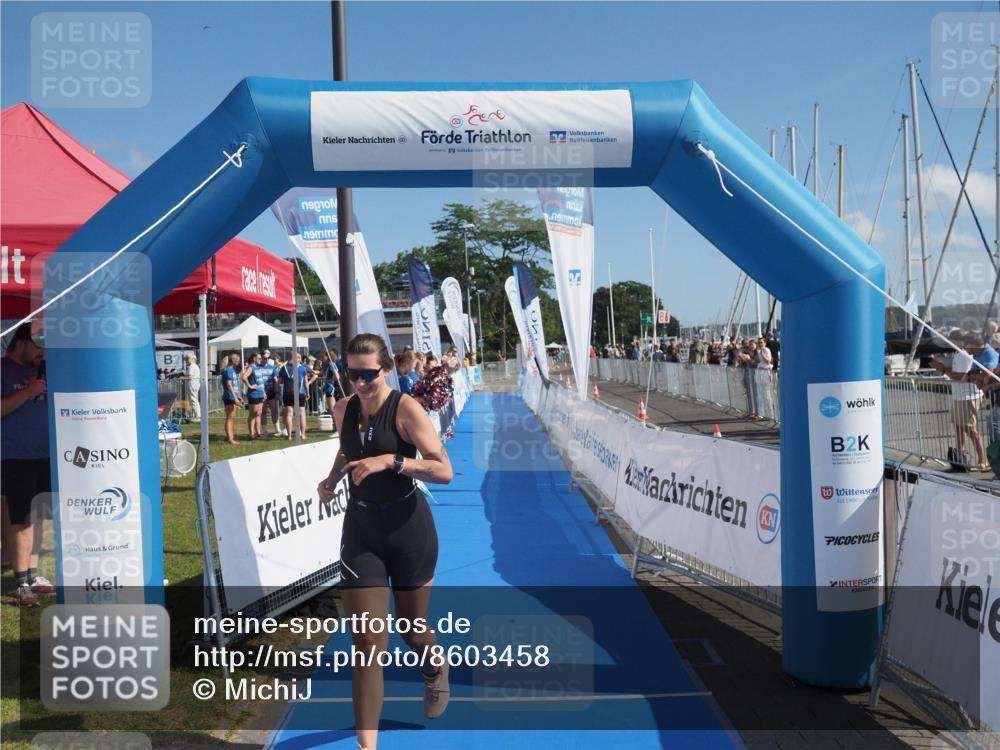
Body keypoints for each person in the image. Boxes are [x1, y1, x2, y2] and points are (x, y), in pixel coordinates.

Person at [316, 334, 454, 749]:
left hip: (409, 530)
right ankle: (367, 745)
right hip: (361, 533)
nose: (360, 382)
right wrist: (332, 477)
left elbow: (443, 470)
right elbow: (348, 450)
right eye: (352, 373)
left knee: (413, 632)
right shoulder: (342, 408)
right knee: (367, 643)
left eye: (369, 374)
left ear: (386, 369)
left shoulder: (406, 408)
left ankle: (434, 668)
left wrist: (391, 461)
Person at [1, 322, 56, 605]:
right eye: (38, 347)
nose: (42, 354)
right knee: (20, 519)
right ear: (21, 342)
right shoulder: (3, 369)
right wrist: (28, 392)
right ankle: (21, 582)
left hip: (43, 454)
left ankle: (33, 575)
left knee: (37, 517)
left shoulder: (41, 370)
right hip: (15, 455)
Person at [932, 336, 989, 471]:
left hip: (968, 396)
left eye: (952, 340)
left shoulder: (963, 354)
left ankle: (983, 461)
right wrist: (944, 368)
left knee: (970, 429)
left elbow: (962, 376)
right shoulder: (958, 354)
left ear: (959, 341)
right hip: (959, 396)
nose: (949, 343)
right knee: (959, 428)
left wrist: (943, 369)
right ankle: (961, 459)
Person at [278, 353, 317, 440]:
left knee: (289, 414)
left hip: (287, 393)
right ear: (295, 358)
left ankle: (289, 436)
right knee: (301, 414)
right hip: (300, 392)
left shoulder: (283, 368)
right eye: (299, 357)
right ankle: (302, 435)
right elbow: (306, 382)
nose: (300, 359)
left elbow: (279, 381)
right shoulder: (302, 368)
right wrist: (307, 392)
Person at [242, 352, 267, 440]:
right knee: (252, 414)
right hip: (253, 394)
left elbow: (260, 382)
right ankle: (251, 433)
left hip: (260, 394)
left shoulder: (258, 368)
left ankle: (258, 432)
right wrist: (250, 386)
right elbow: (244, 377)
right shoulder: (251, 367)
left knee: (259, 414)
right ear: (254, 359)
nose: (261, 360)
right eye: (259, 358)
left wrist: (263, 393)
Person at [220, 353, 244, 445]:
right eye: (237, 359)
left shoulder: (232, 370)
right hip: (229, 396)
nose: (239, 361)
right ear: (234, 360)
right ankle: (230, 439)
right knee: (230, 418)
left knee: (231, 418)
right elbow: (229, 385)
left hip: (233, 396)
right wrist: (235, 398)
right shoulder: (229, 370)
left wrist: (238, 396)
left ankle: (231, 437)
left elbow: (234, 385)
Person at [183, 353, 201, 422]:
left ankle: (197, 417)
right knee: (195, 400)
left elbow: (190, 376)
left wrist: (182, 377)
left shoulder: (192, 366)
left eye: (187, 359)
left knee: (193, 401)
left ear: (193, 359)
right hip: (194, 384)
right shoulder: (194, 366)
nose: (186, 360)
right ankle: (196, 415)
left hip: (192, 385)